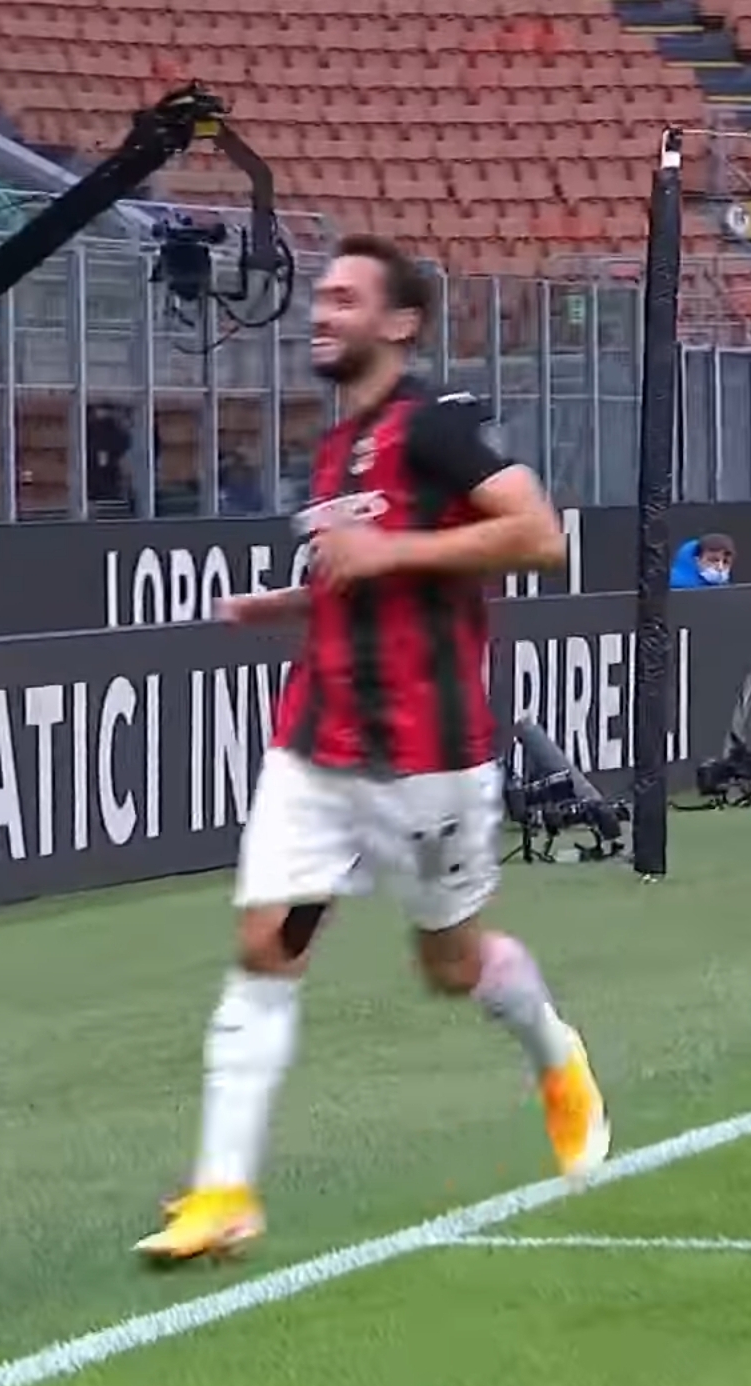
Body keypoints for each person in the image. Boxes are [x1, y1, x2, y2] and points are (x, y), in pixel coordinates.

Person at [134, 235, 611, 1264]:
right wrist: (288, 601)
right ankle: (224, 1194)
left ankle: (554, 1054)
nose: (322, 312)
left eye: (346, 299)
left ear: (400, 323)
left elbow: (539, 536)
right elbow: (359, 577)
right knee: (268, 946)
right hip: (317, 744)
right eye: (321, 296)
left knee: (450, 965)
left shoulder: (435, 426)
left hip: (427, 756)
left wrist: (386, 549)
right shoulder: (334, 443)